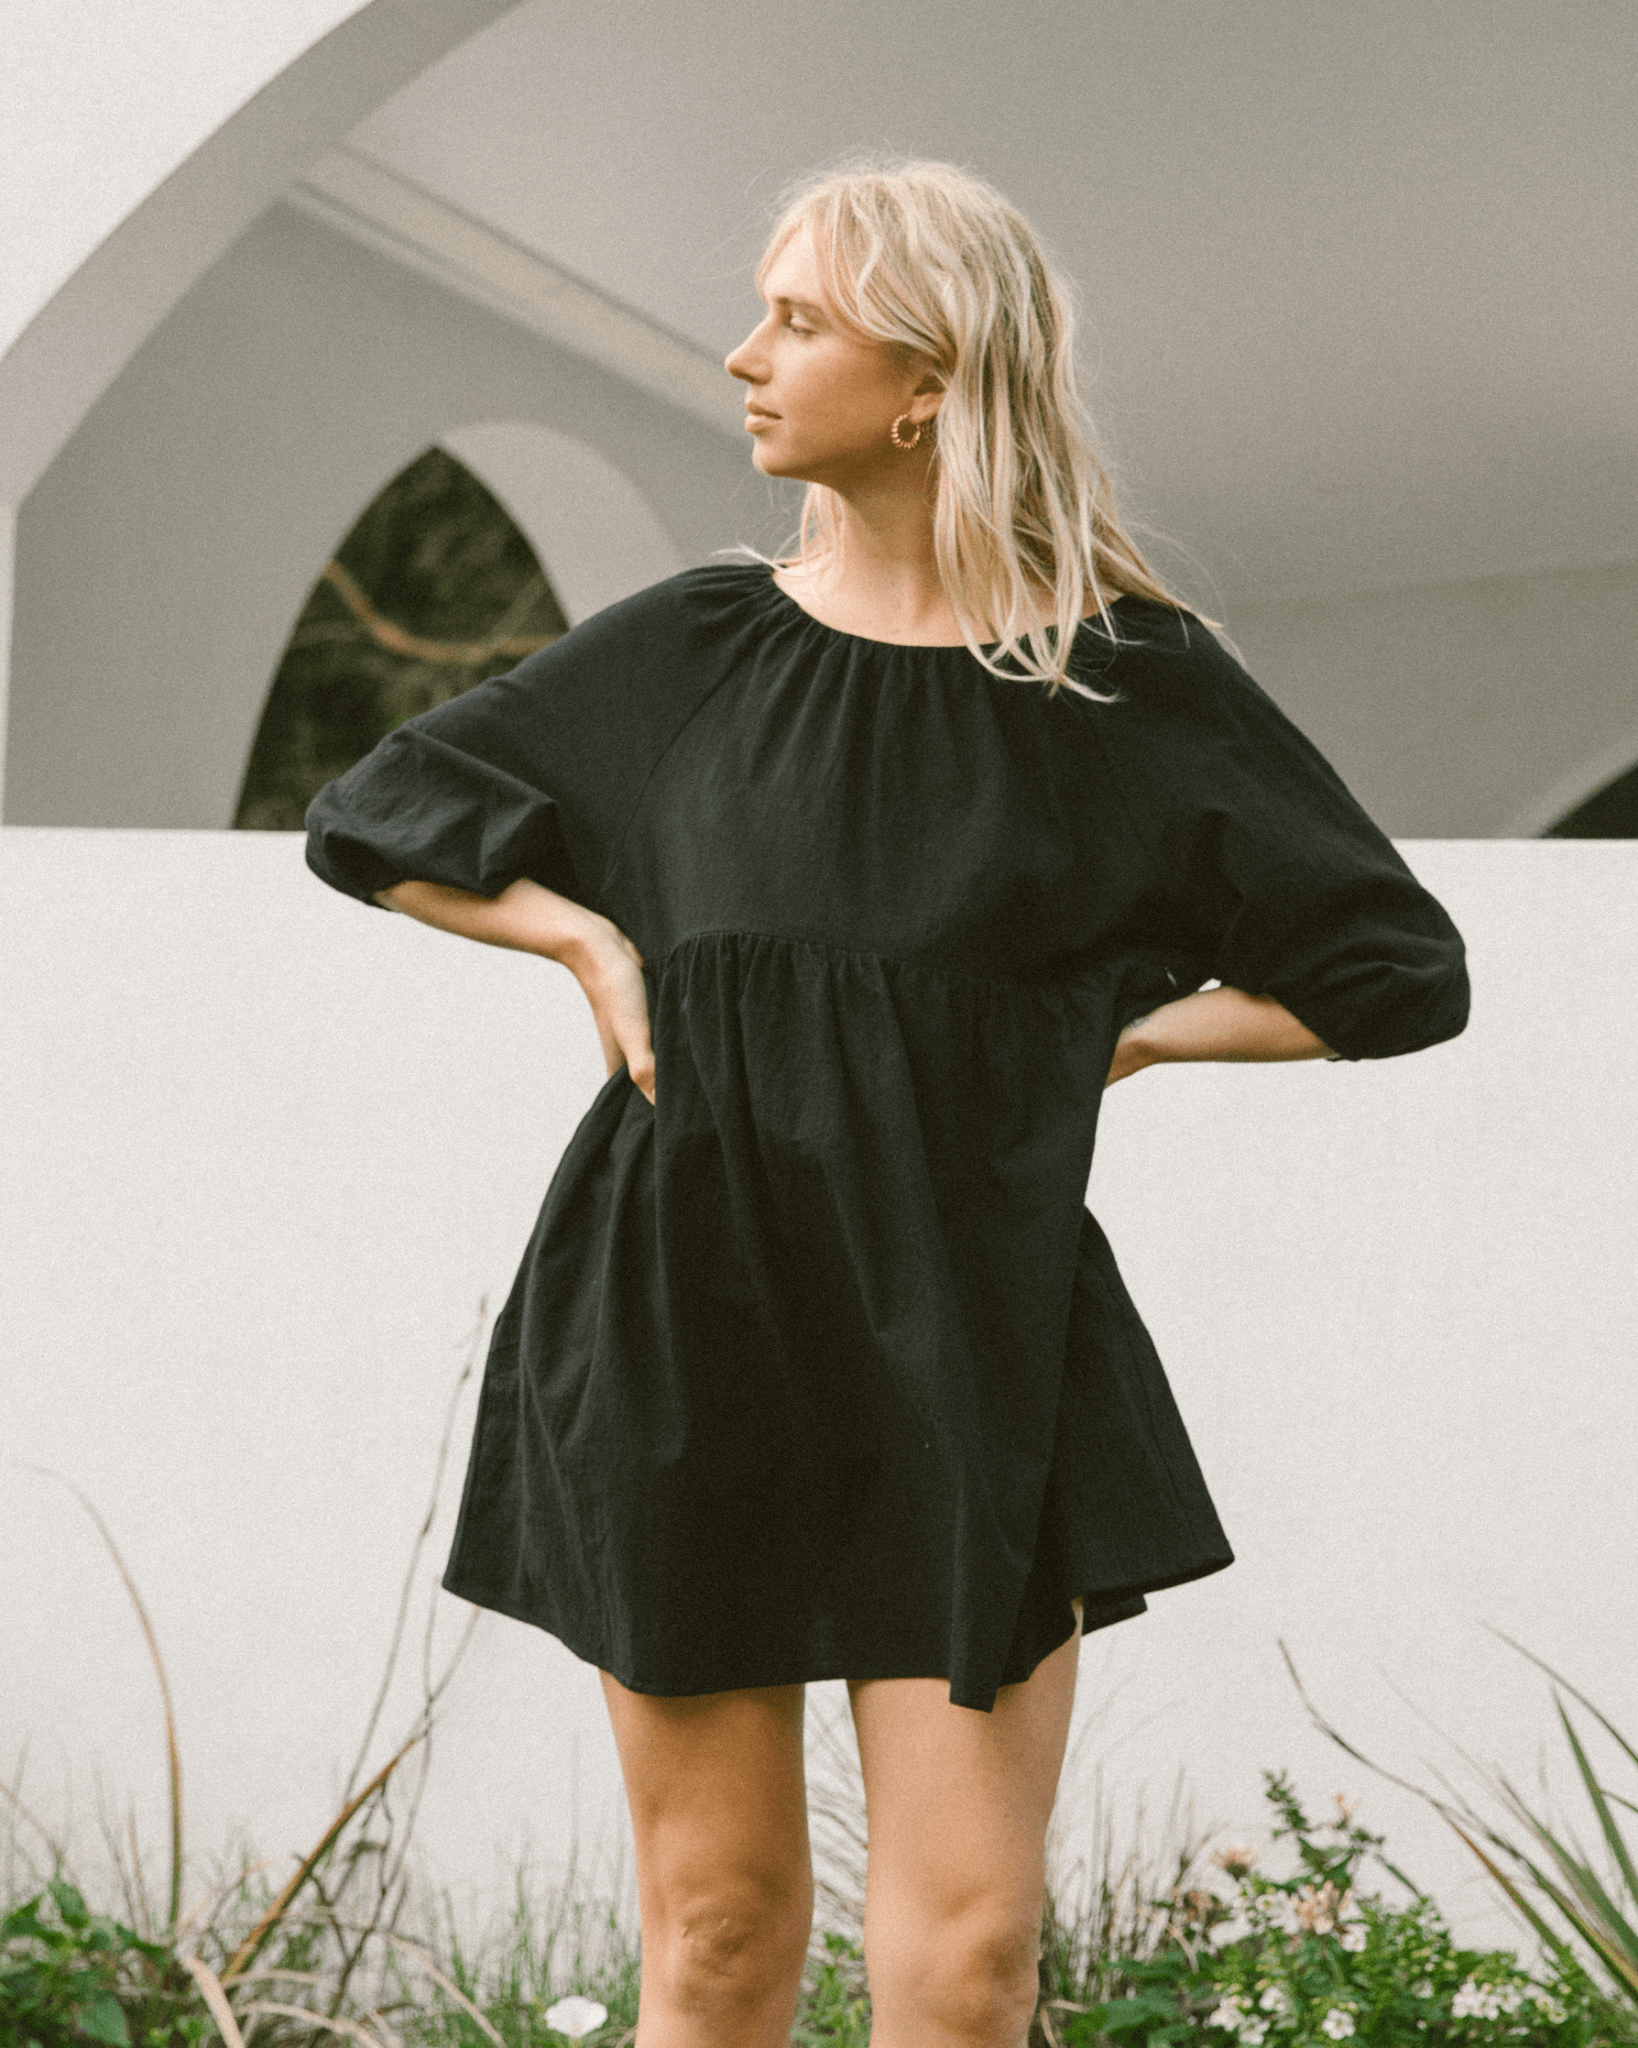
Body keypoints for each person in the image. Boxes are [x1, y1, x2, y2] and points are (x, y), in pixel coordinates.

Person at [304, 158, 1469, 2048]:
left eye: (799, 320)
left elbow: (1395, 972)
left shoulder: (1122, 682)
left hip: (974, 1340)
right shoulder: (691, 650)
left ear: (931, 381)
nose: (744, 356)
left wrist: (1133, 1037)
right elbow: (373, 820)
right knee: (715, 1932)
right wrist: (587, 942)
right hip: (684, 1325)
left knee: (967, 1960)